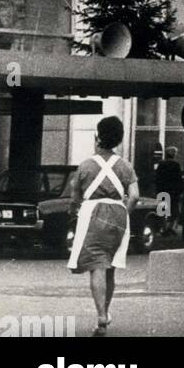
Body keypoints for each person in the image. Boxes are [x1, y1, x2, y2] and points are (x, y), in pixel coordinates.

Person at [65, 115, 139, 337]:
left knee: (97, 264)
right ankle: (105, 313)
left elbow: (74, 197)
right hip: (118, 213)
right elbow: (134, 196)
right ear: (118, 139)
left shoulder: (86, 165)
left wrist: (75, 210)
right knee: (111, 266)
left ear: (98, 137)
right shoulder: (125, 166)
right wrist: (124, 210)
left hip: (92, 214)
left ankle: (100, 316)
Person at [153, 145, 183, 234]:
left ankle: (163, 228)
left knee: (162, 210)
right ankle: (171, 228)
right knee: (174, 211)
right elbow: (179, 179)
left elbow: (157, 178)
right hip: (173, 192)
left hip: (162, 190)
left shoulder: (161, 165)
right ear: (174, 155)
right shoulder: (176, 165)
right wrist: (180, 191)